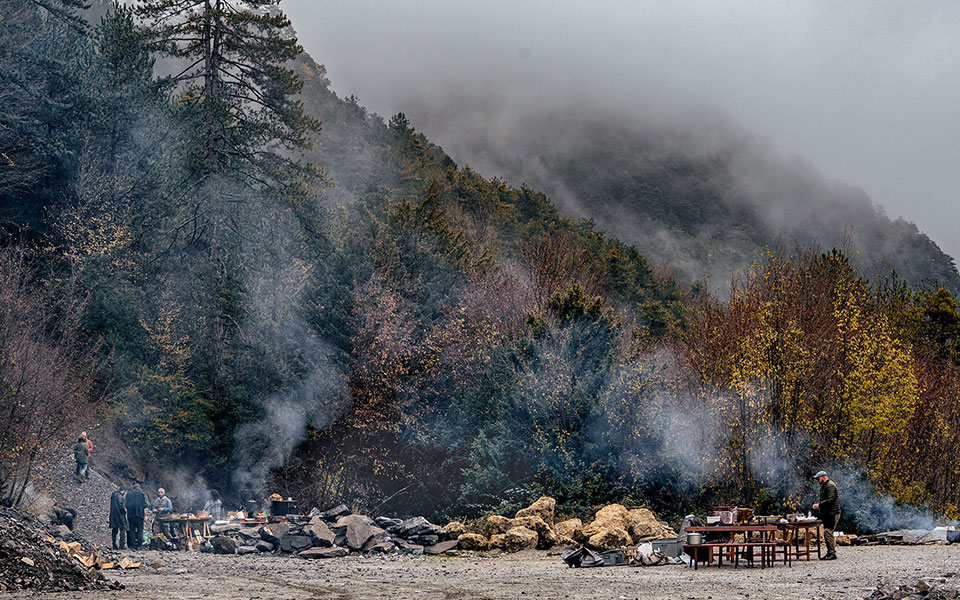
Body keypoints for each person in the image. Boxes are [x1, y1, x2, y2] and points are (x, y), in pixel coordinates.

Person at [812, 470, 840, 560]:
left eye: (818, 479)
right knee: (827, 532)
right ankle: (830, 552)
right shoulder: (825, 486)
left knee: (828, 532)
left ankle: (832, 553)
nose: (818, 481)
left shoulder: (830, 485)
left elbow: (831, 500)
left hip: (833, 513)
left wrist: (819, 505)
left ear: (823, 477)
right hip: (829, 513)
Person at [125, 483, 147, 549]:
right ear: (139, 488)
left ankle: (132, 545)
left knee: (132, 530)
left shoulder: (128, 494)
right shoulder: (142, 494)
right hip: (140, 515)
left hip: (131, 515)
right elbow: (146, 504)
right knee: (140, 530)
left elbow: (126, 504)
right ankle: (139, 546)